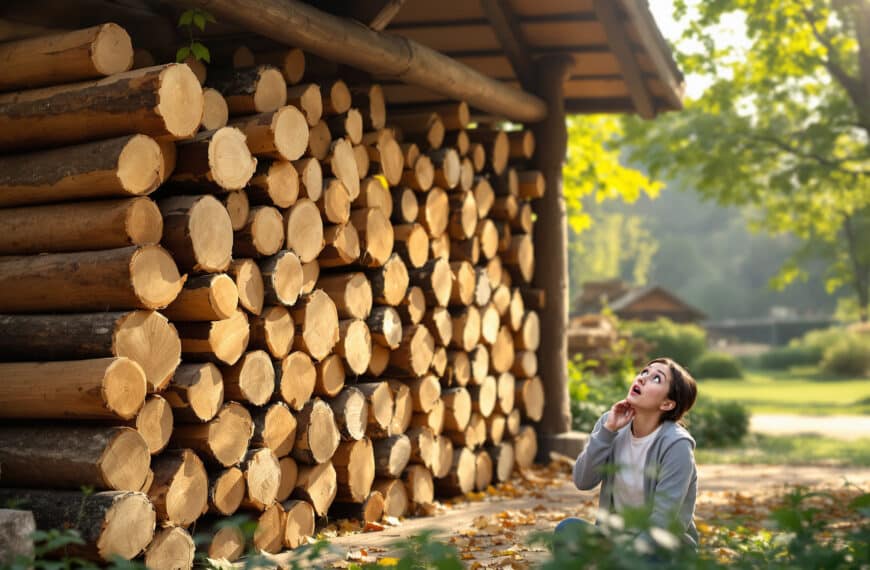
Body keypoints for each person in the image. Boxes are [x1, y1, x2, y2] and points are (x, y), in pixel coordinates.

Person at [559, 357, 699, 550]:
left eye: (656, 378)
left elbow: (663, 522)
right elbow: (583, 481)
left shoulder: (677, 445)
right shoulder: (610, 423)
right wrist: (607, 431)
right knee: (567, 529)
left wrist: (626, 553)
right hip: (615, 541)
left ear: (667, 404)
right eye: (644, 372)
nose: (642, 378)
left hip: (662, 547)